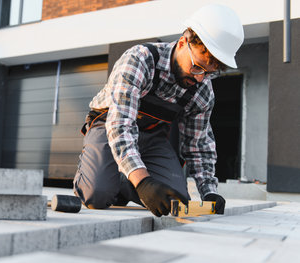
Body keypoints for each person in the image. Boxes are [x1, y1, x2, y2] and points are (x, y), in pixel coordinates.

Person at [73, 4, 244, 217]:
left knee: (176, 201)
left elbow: (198, 144)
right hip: (109, 127)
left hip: (152, 137)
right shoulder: (139, 60)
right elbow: (120, 125)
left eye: (208, 73)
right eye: (197, 67)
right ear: (184, 42)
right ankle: (110, 176)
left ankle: (126, 181)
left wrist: (209, 192)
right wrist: (144, 182)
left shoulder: (202, 90)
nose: (200, 78)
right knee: (97, 195)